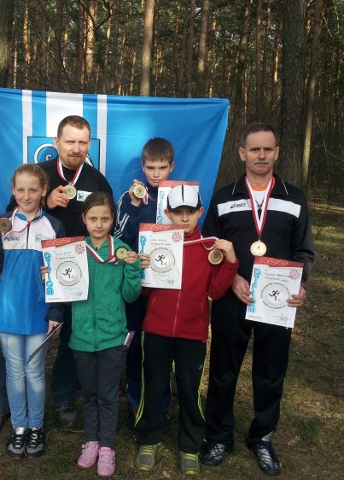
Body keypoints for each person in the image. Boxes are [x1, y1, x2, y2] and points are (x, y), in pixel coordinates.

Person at [0, 115, 114, 429]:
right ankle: (0, 404)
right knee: (15, 342)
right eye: (70, 141)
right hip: (37, 276)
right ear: (56, 143)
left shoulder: (96, 180)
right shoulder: (40, 177)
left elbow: (109, 219)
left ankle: (65, 395)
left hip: (80, 272)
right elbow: (11, 219)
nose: (76, 147)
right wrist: (50, 204)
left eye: (83, 142)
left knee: (71, 334)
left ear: (89, 144)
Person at [200, 123, 315, 476]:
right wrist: (231, 276)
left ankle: (262, 436)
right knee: (223, 370)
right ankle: (219, 435)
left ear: (277, 153)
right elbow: (210, 247)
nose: (261, 156)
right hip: (233, 298)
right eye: (254, 150)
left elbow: (304, 251)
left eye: (267, 149)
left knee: (270, 371)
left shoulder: (294, 197)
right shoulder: (224, 196)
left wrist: (302, 283)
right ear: (242, 154)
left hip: (276, 301)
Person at [133, 185, 239, 475]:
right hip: (156, 328)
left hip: (192, 333)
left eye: (189, 212)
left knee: (191, 391)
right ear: (167, 213)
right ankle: (148, 438)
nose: (183, 217)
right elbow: (143, 291)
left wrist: (230, 261)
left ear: (199, 212)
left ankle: (190, 445)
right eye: (177, 212)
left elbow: (216, 292)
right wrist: (140, 269)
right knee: (153, 386)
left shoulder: (208, 248)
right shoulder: (154, 243)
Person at [0, 163, 65, 460]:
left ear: (44, 190)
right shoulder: (3, 222)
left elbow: (60, 276)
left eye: (33, 189)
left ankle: (36, 427)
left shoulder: (54, 226)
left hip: (39, 311)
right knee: (14, 372)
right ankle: (19, 428)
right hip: (8, 309)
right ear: (13, 191)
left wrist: (56, 312)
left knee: (34, 372)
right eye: (21, 190)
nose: (27, 195)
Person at [68, 192, 141, 477]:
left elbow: (131, 296)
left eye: (105, 219)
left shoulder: (122, 251)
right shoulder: (73, 252)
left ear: (113, 220)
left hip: (113, 337)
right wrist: (52, 276)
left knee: (108, 395)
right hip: (82, 337)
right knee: (89, 394)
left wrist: (133, 269)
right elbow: (64, 292)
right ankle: (92, 441)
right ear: (84, 219)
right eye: (93, 219)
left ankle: (108, 447)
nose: (99, 224)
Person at [114, 137, 175, 428]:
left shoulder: (181, 195)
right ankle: (135, 404)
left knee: (162, 347)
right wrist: (135, 206)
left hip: (167, 285)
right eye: (150, 167)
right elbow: (119, 239)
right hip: (137, 285)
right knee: (135, 344)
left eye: (162, 167)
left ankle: (161, 403)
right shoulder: (130, 197)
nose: (156, 173)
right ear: (142, 166)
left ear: (171, 167)